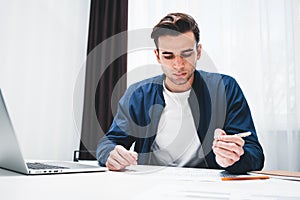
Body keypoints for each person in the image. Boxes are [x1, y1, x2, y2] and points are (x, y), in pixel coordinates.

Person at [96, 12, 264, 173]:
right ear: (157, 56)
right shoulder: (138, 94)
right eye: (168, 56)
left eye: (186, 54)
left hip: (208, 184)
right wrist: (110, 154)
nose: (178, 65)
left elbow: (255, 154)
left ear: (198, 52)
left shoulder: (225, 88)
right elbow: (109, 143)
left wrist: (235, 159)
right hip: (152, 183)